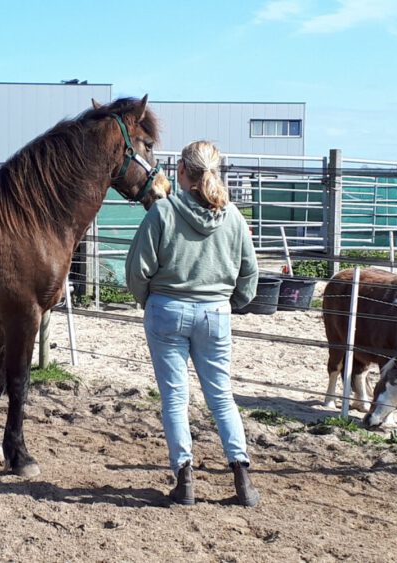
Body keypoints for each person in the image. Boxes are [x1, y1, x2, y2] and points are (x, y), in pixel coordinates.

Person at [125, 140, 260, 507]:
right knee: (221, 396)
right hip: (215, 312)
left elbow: (138, 269)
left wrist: (147, 300)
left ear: (182, 172)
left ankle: (184, 479)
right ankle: (242, 477)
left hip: (167, 309)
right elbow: (250, 273)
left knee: (175, 399)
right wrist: (231, 302)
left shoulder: (163, 212)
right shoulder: (233, 217)